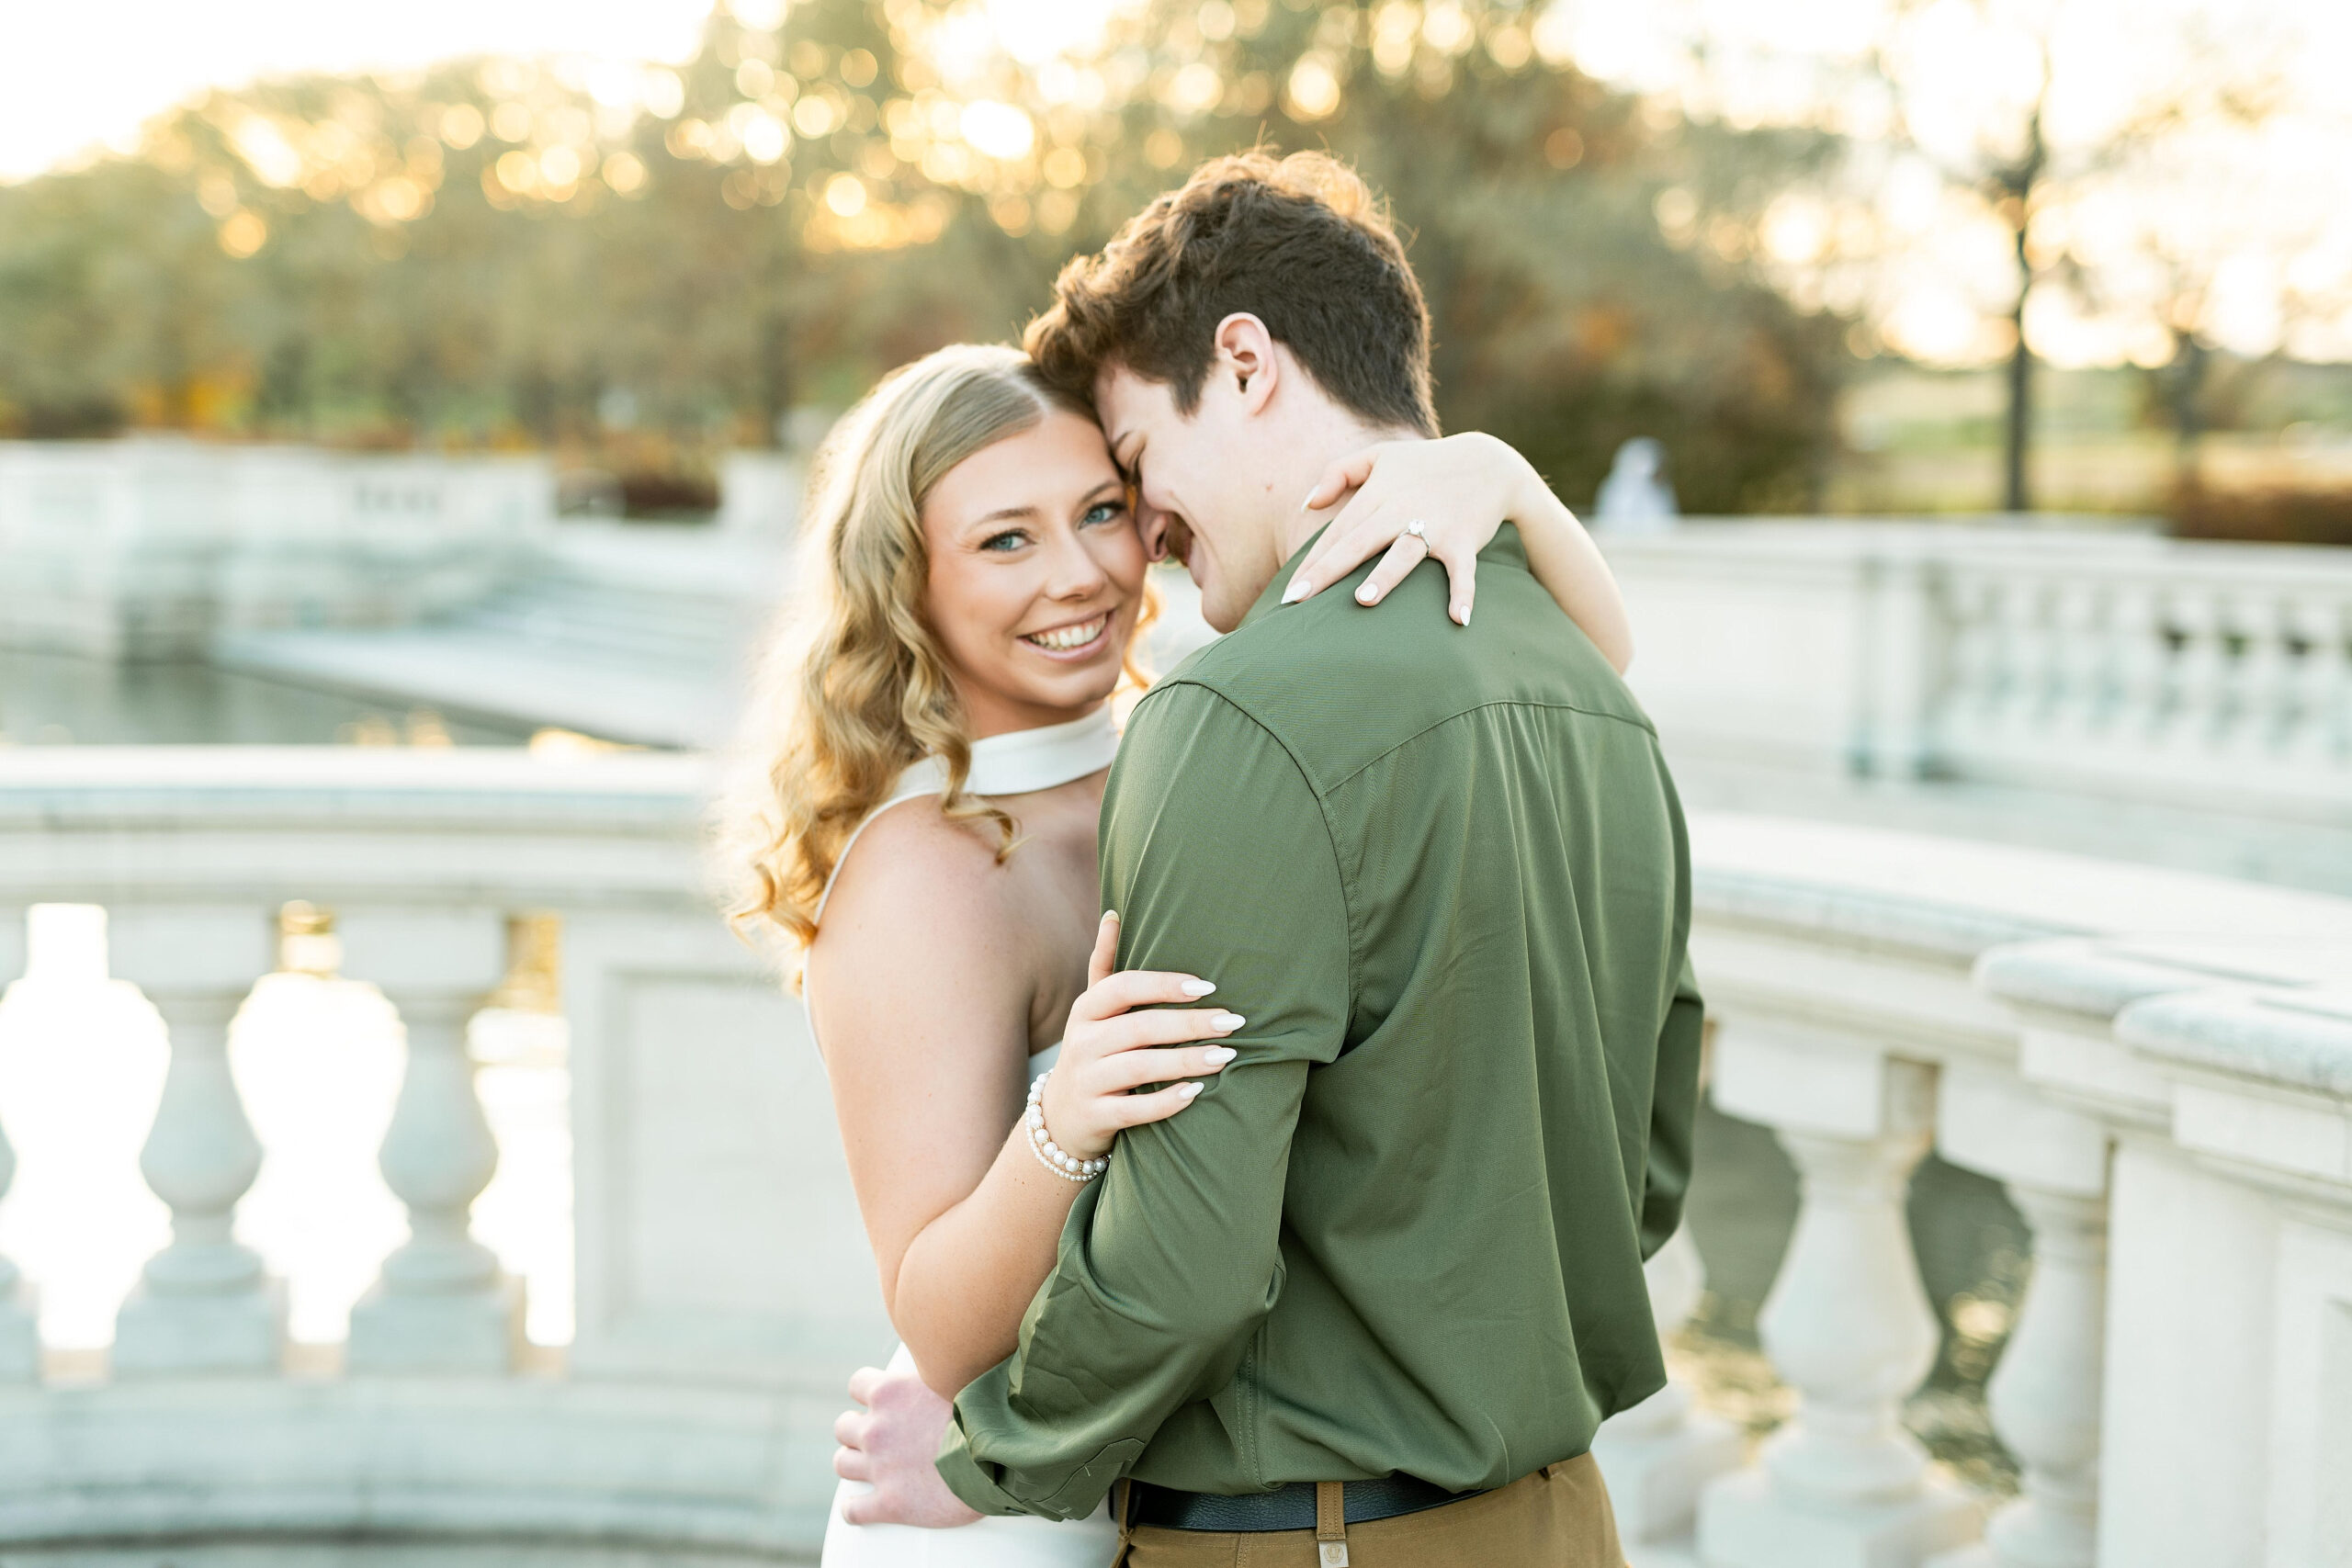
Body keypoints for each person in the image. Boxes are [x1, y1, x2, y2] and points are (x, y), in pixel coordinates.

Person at [831, 150, 1704, 1566]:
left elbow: (1191, 1263)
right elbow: (1645, 1174)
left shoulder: (1232, 723)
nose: (1141, 535)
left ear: (1243, 364)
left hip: (1318, 1539)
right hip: (1559, 1524)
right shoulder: (1597, 695)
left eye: (1127, 471)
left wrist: (1000, 1456)